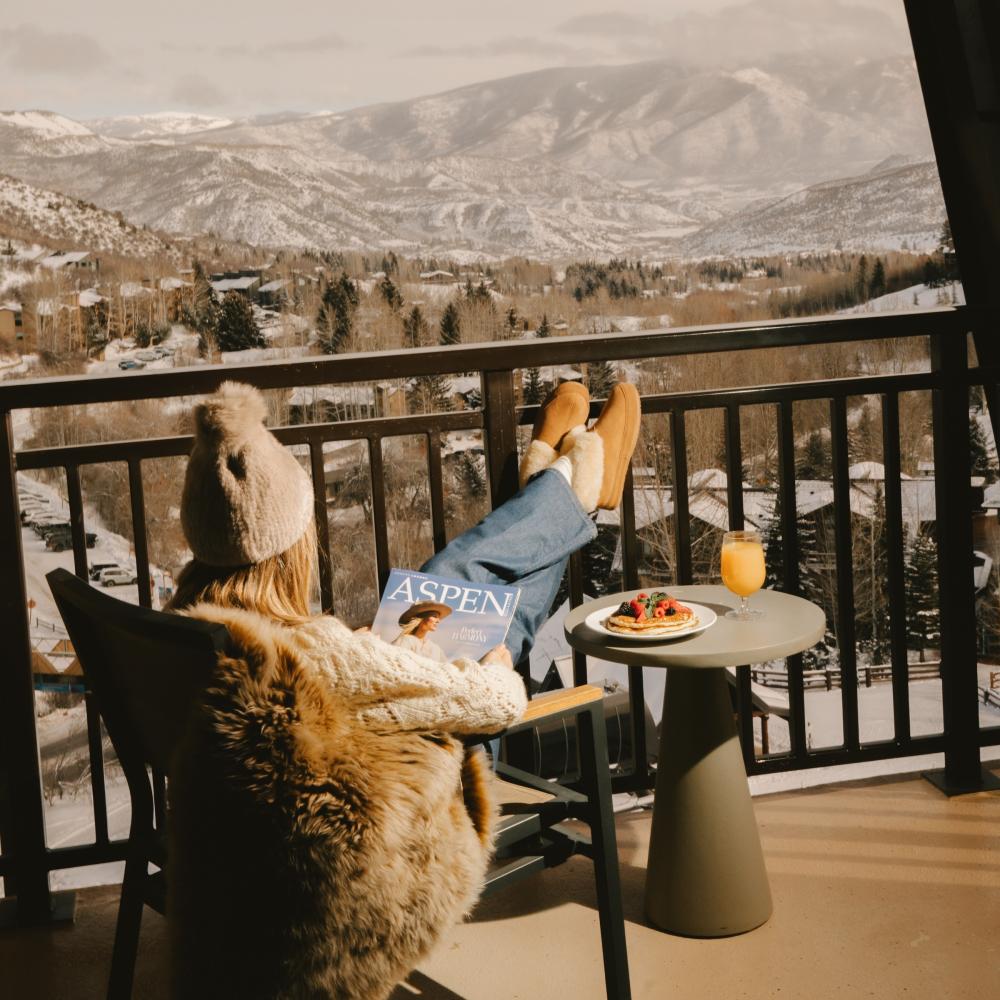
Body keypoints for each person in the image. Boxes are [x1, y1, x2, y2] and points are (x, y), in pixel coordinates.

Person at [168, 376, 641, 736]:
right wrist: (495, 671)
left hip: (264, 826)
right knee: (467, 596)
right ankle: (569, 483)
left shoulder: (177, 639)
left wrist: (364, 650)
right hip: (408, 825)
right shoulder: (320, 658)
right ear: (292, 548)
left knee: (442, 594)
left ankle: (561, 485)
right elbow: (493, 701)